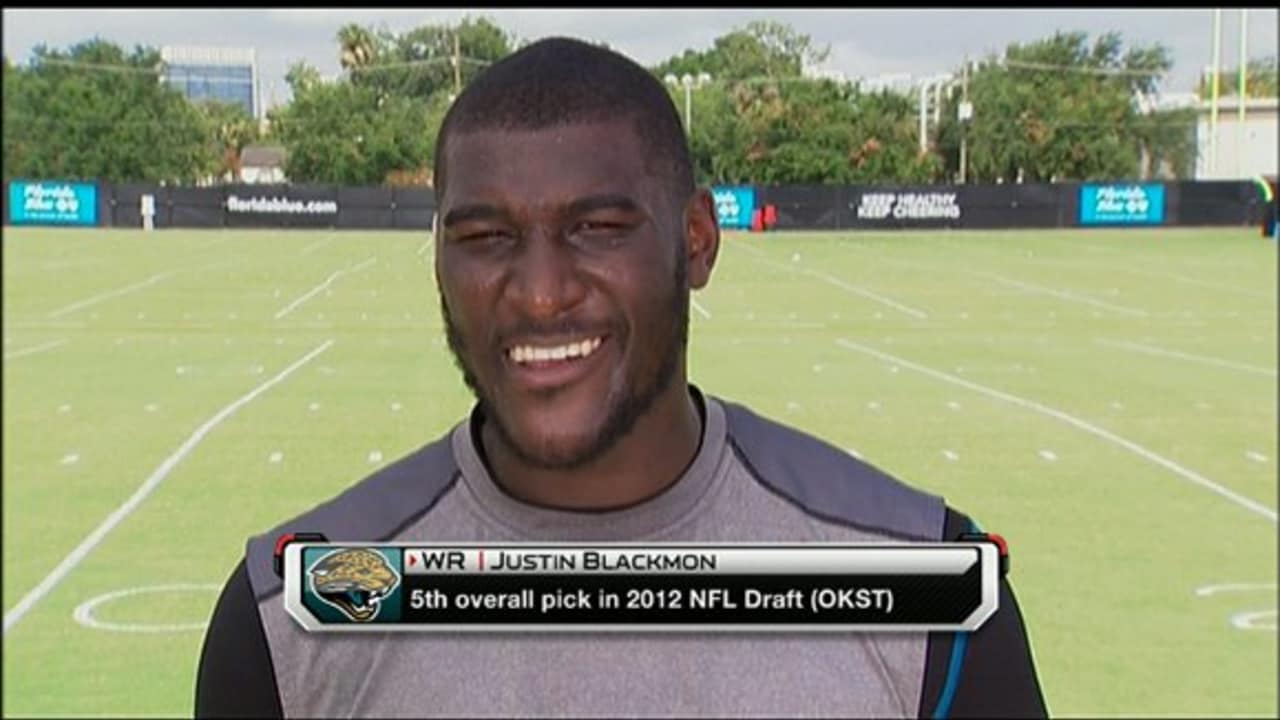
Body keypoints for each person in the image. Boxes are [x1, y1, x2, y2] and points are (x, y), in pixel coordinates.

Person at [195, 37, 1047, 719]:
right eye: (486, 237)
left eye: (598, 227)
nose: (539, 292)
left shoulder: (928, 598)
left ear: (698, 242)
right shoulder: (295, 619)